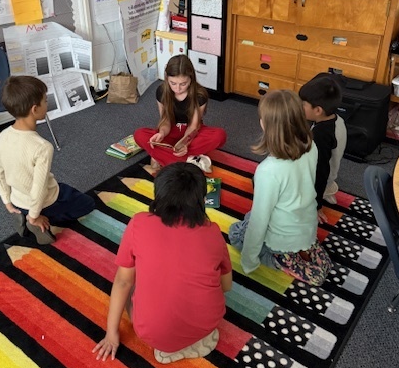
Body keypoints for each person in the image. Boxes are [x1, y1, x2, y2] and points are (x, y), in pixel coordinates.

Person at [93, 162, 232, 363]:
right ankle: (194, 341)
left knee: (131, 281)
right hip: (207, 323)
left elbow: (123, 282)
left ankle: (171, 345)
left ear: (157, 196)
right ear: (202, 200)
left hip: (152, 333)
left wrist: (111, 333)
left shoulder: (138, 222)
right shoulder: (213, 232)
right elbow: (226, 286)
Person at [228, 90, 332, 286]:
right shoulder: (311, 146)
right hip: (306, 225)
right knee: (255, 216)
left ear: (265, 125)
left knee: (237, 232)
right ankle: (307, 249)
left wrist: (249, 262)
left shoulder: (268, 170)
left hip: (281, 238)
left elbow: (260, 220)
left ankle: (279, 259)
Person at [0, 75, 95, 245]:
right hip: (45, 202)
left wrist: (8, 202)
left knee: (62, 189)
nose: (47, 104)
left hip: (18, 200)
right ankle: (39, 222)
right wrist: (35, 216)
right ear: (34, 109)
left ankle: (23, 215)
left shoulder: (3, 136)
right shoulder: (42, 147)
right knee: (87, 203)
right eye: (45, 101)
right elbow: (39, 188)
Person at [134, 54, 227, 171]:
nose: (177, 88)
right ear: (167, 78)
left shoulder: (200, 95)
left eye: (183, 84)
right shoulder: (161, 91)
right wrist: (162, 133)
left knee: (219, 136)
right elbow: (165, 120)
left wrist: (185, 143)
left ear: (191, 79)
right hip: (170, 131)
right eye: (173, 83)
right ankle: (188, 160)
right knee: (139, 134)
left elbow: (194, 125)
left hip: (191, 133)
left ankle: (164, 157)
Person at [299, 74, 347, 210]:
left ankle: (321, 195)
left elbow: (320, 172)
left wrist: (316, 205)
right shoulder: (337, 120)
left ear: (318, 110)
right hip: (329, 173)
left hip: (319, 180)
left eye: (303, 104)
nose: (300, 106)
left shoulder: (320, 136)